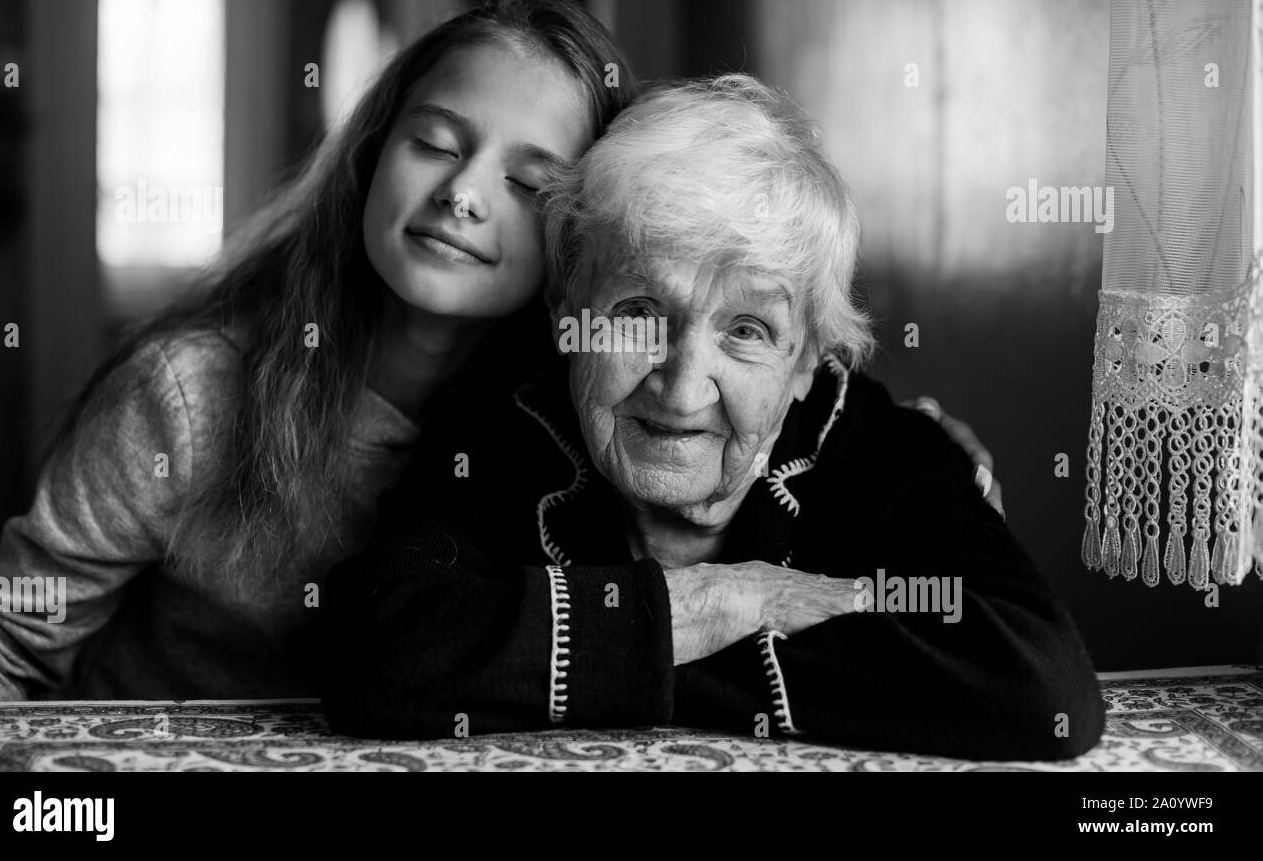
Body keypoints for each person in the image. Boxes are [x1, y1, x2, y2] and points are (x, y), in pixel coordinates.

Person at [322, 75, 1104, 760]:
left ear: (807, 362)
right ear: (567, 304)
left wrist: (589, 658)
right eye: (638, 312)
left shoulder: (879, 447)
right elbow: (369, 651)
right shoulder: (504, 421)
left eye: (747, 331)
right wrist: (729, 600)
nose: (684, 386)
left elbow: (1042, 689)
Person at [0, 0, 633, 700]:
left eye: (529, 183)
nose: (463, 192)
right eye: (436, 144)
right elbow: (4, 640)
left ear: (579, 238)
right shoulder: (188, 393)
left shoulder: (581, 440)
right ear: (373, 153)